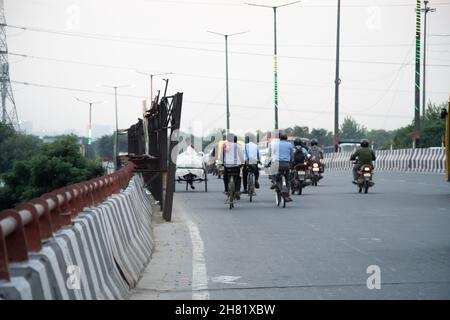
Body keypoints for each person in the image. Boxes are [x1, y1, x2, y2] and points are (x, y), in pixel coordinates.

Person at [269, 132, 293, 202]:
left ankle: (274, 182)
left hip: (277, 164)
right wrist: (291, 162)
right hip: (286, 164)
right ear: (287, 138)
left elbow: (273, 154)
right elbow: (292, 155)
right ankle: (287, 194)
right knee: (288, 179)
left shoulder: (276, 144)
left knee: (272, 171)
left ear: (280, 138)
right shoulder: (290, 145)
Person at [220, 133, 244, 200]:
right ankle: (237, 190)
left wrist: (222, 162)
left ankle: (226, 190)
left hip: (227, 166)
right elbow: (241, 156)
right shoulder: (238, 146)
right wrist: (242, 163)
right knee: (238, 177)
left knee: (225, 177)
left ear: (227, 139)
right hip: (236, 166)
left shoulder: (224, 146)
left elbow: (221, 156)